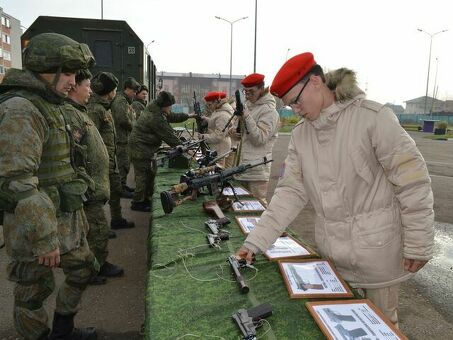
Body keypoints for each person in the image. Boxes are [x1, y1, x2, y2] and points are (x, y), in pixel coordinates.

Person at [236, 52, 435, 325]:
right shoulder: (301, 136)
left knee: (381, 325)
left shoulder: (373, 118)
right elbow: (289, 193)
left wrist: (419, 243)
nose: (295, 110)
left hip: (377, 252)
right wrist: (254, 242)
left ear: (316, 81)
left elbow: (412, 181)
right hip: (333, 258)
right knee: (341, 325)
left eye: (296, 101)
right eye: (289, 106)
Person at [0, 33, 98, 340]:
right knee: (33, 290)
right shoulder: (22, 108)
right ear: (47, 69)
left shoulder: (50, 104)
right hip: (35, 226)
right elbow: (17, 182)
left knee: (84, 268)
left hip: (64, 219)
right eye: (67, 73)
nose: (73, 81)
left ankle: (62, 330)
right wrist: (44, 238)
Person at [63, 69, 124, 285]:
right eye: (87, 86)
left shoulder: (81, 111)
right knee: (95, 228)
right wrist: (86, 182)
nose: (91, 90)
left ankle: (97, 263)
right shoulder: (74, 114)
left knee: (96, 227)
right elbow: (74, 153)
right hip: (88, 186)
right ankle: (91, 269)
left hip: (94, 184)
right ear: (74, 87)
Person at [128, 91, 196, 212]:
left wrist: (189, 116)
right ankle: (137, 203)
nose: (170, 108)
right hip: (140, 148)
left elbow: (172, 116)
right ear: (164, 105)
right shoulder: (155, 117)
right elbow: (168, 135)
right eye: (169, 106)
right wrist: (185, 148)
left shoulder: (157, 108)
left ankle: (144, 199)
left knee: (148, 175)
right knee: (142, 176)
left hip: (145, 146)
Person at [87, 72, 135, 230]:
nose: (116, 93)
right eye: (114, 90)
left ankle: (117, 219)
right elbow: (90, 138)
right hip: (100, 161)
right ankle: (98, 228)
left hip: (110, 159)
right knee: (99, 196)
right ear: (108, 92)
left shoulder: (104, 108)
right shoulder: (95, 110)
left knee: (115, 190)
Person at [228, 73, 280, 204]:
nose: (248, 95)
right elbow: (239, 130)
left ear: (261, 89)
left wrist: (246, 116)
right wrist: (233, 132)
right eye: (245, 92)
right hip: (242, 167)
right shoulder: (248, 106)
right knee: (241, 206)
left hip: (257, 171)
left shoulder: (269, 111)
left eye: (251, 91)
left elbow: (259, 139)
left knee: (257, 206)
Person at [111, 76, 140, 198]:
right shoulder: (120, 101)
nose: (134, 94)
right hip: (120, 139)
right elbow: (123, 119)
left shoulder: (125, 101)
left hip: (124, 138)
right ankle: (120, 188)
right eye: (133, 91)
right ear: (127, 89)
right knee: (122, 165)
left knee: (125, 164)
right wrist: (135, 128)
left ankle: (122, 185)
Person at [198, 91, 233, 167]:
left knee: (219, 170)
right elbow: (216, 122)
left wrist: (203, 137)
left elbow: (218, 136)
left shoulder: (223, 115)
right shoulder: (219, 110)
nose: (209, 107)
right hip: (218, 146)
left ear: (216, 102)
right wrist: (207, 119)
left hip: (220, 148)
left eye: (210, 104)